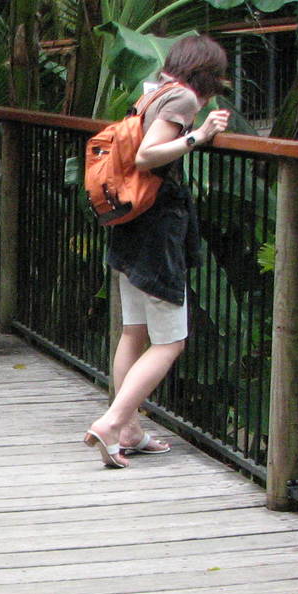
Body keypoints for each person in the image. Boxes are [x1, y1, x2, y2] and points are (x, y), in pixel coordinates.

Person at [84, 33, 231, 468]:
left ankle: (127, 428)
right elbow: (148, 156)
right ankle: (112, 423)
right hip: (156, 230)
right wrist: (199, 136)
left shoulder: (156, 91)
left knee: (134, 331)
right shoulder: (182, 99)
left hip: (131, 223)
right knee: (171, 343)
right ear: (206, 74)